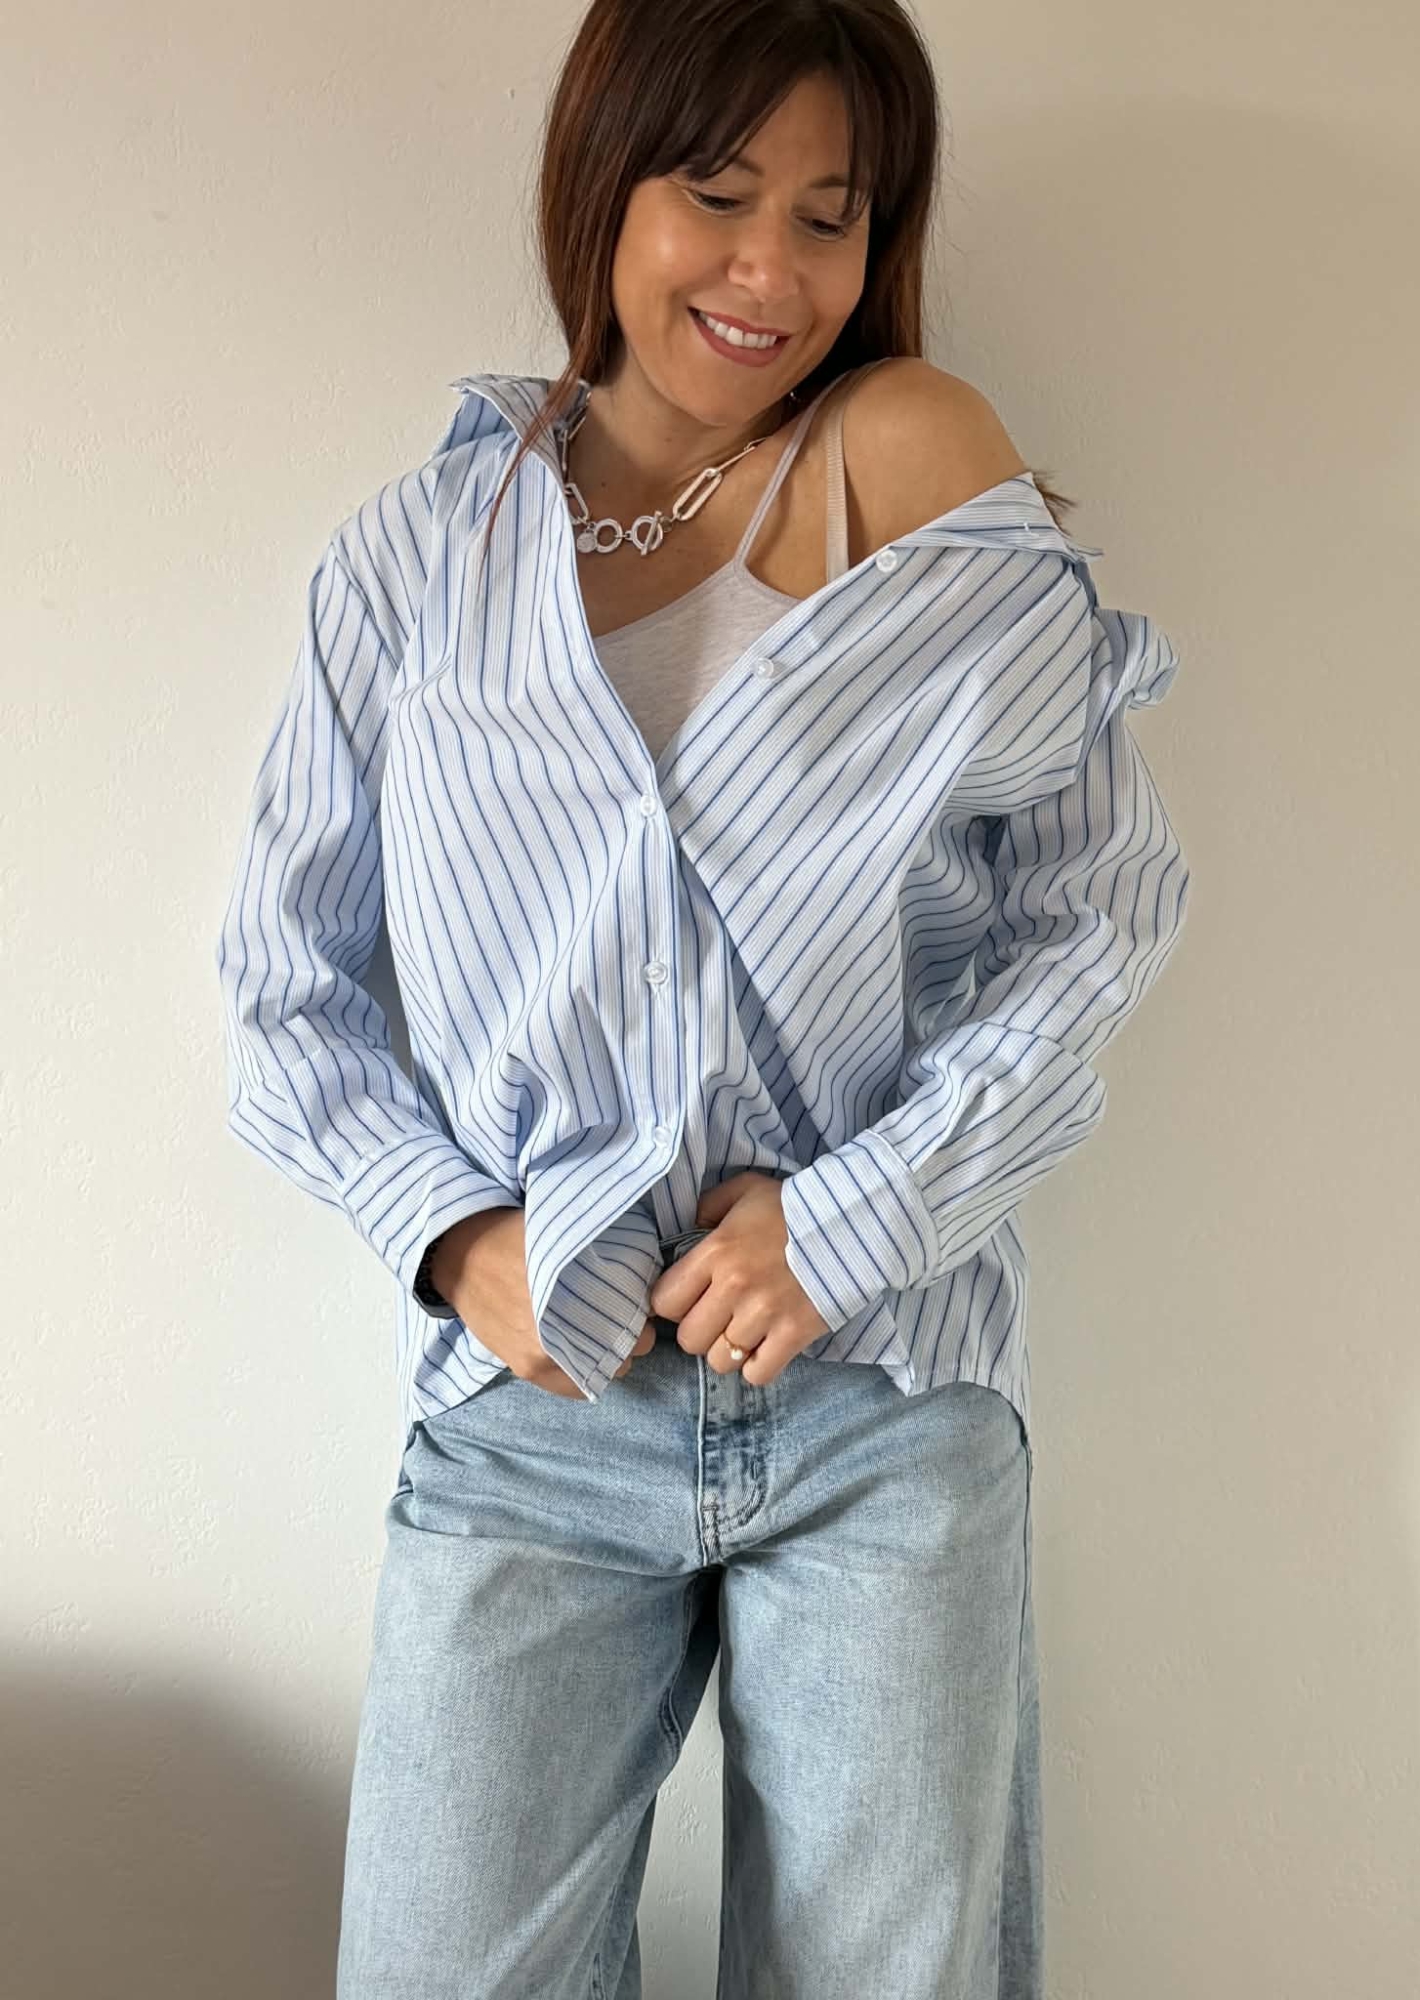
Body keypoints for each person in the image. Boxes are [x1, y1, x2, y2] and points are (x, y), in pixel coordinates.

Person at [213, 2, 1192, 1993]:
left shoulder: (914, 473)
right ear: (605, 182)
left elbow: (1099, 905)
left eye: (831, 215)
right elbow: (280, 986)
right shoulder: (420, 564)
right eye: (718, 194)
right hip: (535, 1409)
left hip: (877, 1388)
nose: (771, 271)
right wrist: (452, 1235)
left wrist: (857, 1215)